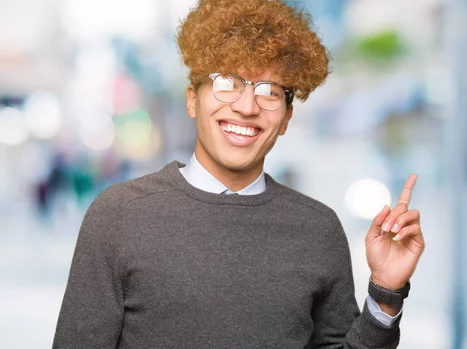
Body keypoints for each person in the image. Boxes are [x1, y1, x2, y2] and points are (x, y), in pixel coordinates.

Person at [52, 0, 425, 348]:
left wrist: (385, 294)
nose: (247, 107)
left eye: (270, 91)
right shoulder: (118, 216)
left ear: (286, 119)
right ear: (192, 98)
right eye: (227, 82)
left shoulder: (318, 229)